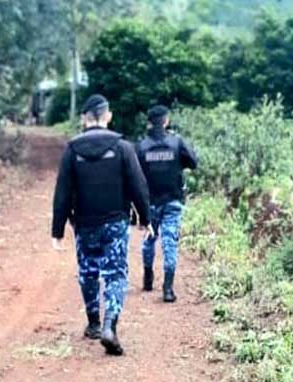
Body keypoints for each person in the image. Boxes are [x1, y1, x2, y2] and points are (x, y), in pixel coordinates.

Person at [51, 94, 151, 355]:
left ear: (84, 118)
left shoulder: (72, 150)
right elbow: (138, 185)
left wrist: (57, 230)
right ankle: (110, 325)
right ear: (108, 116)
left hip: (84, 222)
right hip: (115, 221)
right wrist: (145, 218)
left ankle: (94, 322)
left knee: (88, 271)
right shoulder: (122, 147)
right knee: (115, 273)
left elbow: (62, 192)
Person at [136, 104, 199, 303]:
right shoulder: (176, 142)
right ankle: (168, 288)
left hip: (149, 202)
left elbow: (134, 176)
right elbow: (193, 162)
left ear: (149, 123)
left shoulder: (141, 146)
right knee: (170, 242)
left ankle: (148, 277)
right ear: (166, 121)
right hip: (173, 200)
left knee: (149, 239)